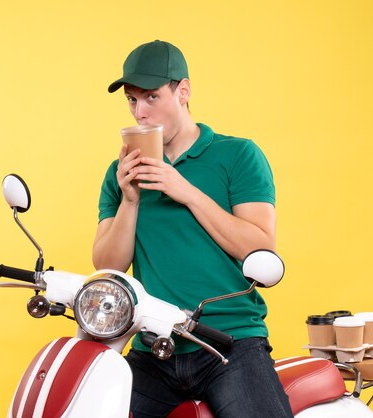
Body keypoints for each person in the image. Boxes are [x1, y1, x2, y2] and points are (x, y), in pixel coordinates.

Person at [92, 40, 293, 418]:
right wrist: (130, 200)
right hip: (153, 344)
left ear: (183, 91)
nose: (141, 113)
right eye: (133, 101)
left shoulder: (237, 155)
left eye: (152, 97)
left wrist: (185, 191)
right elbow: (108, 267)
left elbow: (259, 246)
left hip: (230, 342)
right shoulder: (119, 174)